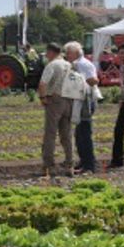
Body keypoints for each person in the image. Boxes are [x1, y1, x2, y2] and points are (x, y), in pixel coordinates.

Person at [37, 43, 74, 178]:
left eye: (47, 53)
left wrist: (42, 97)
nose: (46, 55)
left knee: (50, 134)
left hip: (55, 100)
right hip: (68, 100)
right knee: (66, 134)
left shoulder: (52, 65)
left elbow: (43, 83)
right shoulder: (68, 65)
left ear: (51, 52)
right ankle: (69, 164)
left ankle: (49, 166)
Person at [66, 41, 98, 174]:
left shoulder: (82, 64)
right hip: (80, 100)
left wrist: (80, 82)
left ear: (76, 53)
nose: (67, 55)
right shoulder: (76, 64)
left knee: (84, 133)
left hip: (86, 100)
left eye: (68, 52)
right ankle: (83, 161)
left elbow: (94, 80)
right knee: (79, 133)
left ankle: (89, 165)